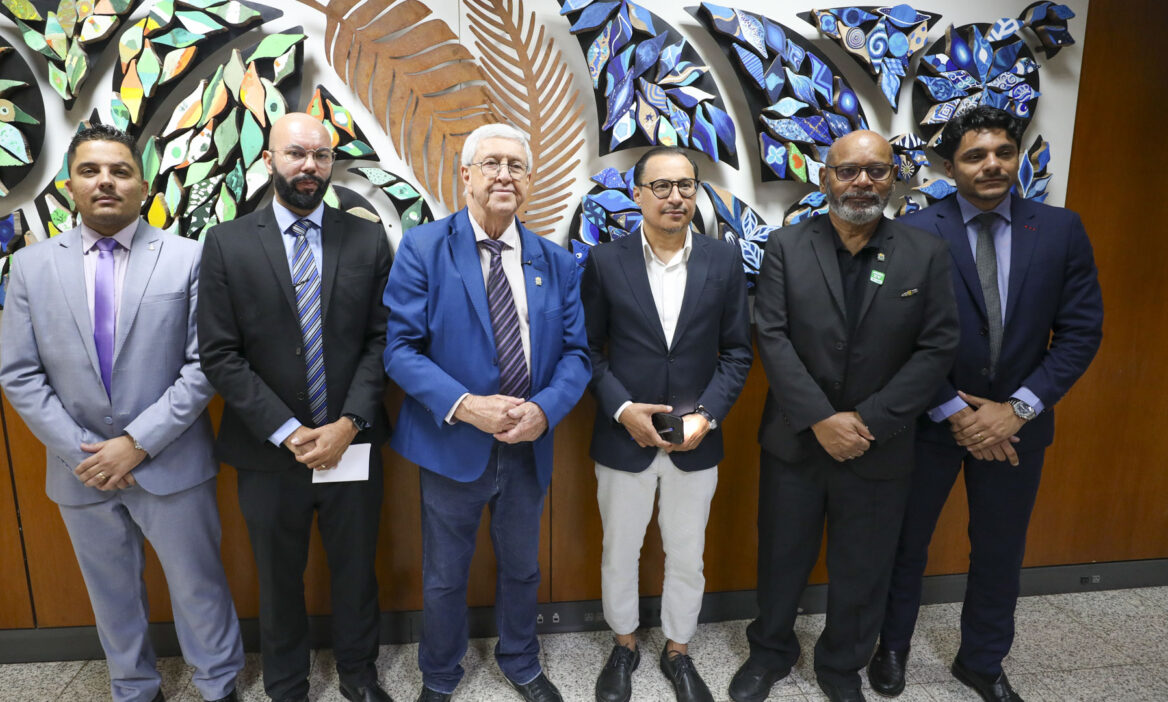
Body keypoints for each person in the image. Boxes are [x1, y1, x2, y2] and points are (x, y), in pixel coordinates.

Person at [0, 124, 243, 702]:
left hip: (171, 460)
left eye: (120, 171)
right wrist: (84, 452)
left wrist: (136, 443)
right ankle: (133, 687)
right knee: (110, 593)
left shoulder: (188, 258)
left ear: (143, 185)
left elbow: (204, 365)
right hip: (81, 468)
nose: (105, 181)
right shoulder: (31, 267)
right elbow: (20, 374)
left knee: (198, 586)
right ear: (70, 186)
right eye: (90, 171)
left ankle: (218, 684)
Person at [869, 107, 1103, 702]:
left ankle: (982, 661)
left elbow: (1081, 332)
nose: (992, 164)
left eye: (1003, 152)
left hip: (1017, 429)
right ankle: (891, 648)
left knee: (1000, 551)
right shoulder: (913, 231)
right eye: (975, 155)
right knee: (904, 545)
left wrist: (1017, 408)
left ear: (1017, 157)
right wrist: (955, 410)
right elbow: (893, 334)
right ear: (950, 168)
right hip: (928, 422)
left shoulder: (1060, 229)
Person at [730, 131, 959, 702]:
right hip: (796, 439)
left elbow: (937, 348)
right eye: (848, 170)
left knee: (864, 566)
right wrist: (821, 419)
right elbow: (772, 337)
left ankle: (841, 667)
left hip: (878, 444)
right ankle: (771, 652)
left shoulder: (926, 252)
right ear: (825, 177)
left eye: (877, 171)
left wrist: (868, 421)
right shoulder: (785, 246)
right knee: (782, 557)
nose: (862, 182)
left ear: (893, 178)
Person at [383, 123, 591, 702]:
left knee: (523, 569)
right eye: (492, 163)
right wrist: (466, 406)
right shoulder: (424, 248)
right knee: (445, 576)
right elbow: (400, 350)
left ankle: (521, 661)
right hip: (452, 445)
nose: (504, 174)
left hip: (527, 446)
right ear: (466, 175)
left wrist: (545, 411)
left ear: (529, 180)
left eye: (516, 166)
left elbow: (577, 354)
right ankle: (440, 674)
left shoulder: (556, 261)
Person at [196, 113, 394, 702]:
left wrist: (348, 423)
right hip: (268, 450)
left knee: (356, 570)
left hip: (351, 442)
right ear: (270, 160)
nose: (310, 166)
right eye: (296, 154)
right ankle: (286, 685)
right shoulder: (227, 243)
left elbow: (383, 340)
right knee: (278, 578)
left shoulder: (365, 238)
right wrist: (286, 429)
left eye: (321, 155)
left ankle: (359, 675)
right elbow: (220, 354)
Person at [581, 146, 753, 702]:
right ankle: (624, 644)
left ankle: (678, 650)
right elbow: (587, 351)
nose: (675, 196)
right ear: (637, 195)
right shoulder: (605, 261)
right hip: (622, 437)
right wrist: (622, 410)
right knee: (620, 551)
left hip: (695, 440)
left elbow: (737, 352)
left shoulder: (723, 260)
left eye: (685, 185)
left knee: (687, 554)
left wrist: (707, 416)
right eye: (661, 186)